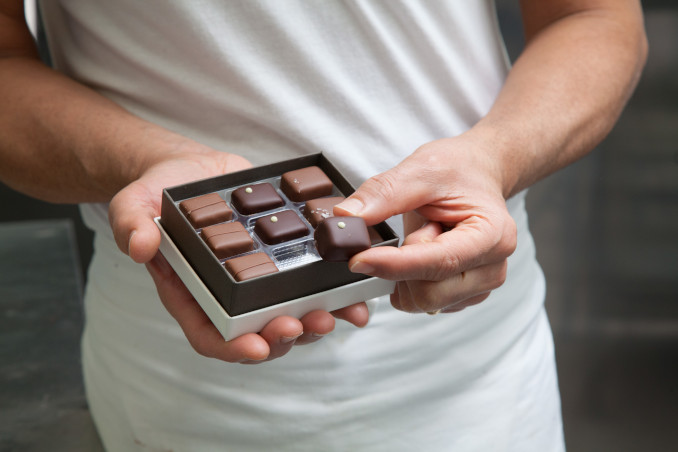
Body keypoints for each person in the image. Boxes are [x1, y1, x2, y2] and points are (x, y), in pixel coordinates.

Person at [0, 1, 646, 450]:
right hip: (175, 377)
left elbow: (593, 17)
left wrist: (495, 156)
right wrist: (143, 160)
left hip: (481, 372)